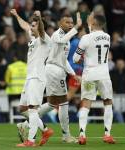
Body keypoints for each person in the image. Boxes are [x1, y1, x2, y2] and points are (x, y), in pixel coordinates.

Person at [36, 12, 82, 143]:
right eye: (67, 22)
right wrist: (76, 28)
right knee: (64, 103)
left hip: (55, 70)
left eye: (72, 23)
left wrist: (73, 74)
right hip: (54, 71)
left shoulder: (66, 40)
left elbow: (64, 60)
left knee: (52, 103)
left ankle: (30, 119)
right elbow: (62, 41)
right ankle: (66, 136)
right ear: (60, 24)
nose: (70, 25)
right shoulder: (57, 35)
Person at [10, 9, 53, 147]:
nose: (31, 27)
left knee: (33, 109)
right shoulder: (34, 37)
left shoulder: (45, 39)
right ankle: (45, 130)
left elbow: (39, 28)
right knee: (22, 109)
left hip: (37, 77)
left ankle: (31, 141)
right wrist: (16, 15)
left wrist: (39, 18)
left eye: (34, 26)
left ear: (40, 27)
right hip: (30, 78)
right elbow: (25, 26)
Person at [73, 12, 115, 145]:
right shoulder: (107, 37)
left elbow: (75, 58)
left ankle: (82, 135)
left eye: (90, 18)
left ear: (94, 22)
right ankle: (107, 135)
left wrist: (83, 59)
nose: (87, 20)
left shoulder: (86, 38)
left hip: (89, 74)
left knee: (85, 104)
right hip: (104, 74)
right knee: (108, 103)